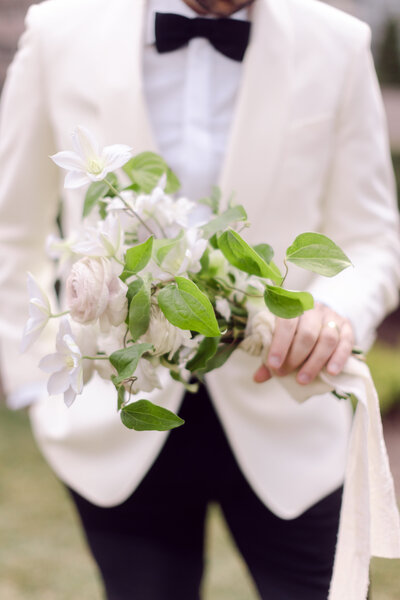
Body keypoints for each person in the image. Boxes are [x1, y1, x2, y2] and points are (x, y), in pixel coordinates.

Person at [0, 0, 399, 598]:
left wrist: (336, 313)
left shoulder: (338, 42)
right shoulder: (58, 30)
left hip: (290, 406)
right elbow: (12, 228)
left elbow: (371, 237)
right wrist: (34, 383)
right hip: (115, 416)